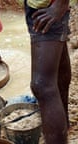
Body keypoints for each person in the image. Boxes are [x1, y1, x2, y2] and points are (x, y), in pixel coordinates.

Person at [24, 0, 75, 143]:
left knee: (42, 86)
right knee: (58, 69)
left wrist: (61, 3)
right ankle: (63, 126)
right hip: (42, 5)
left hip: (46, 6)